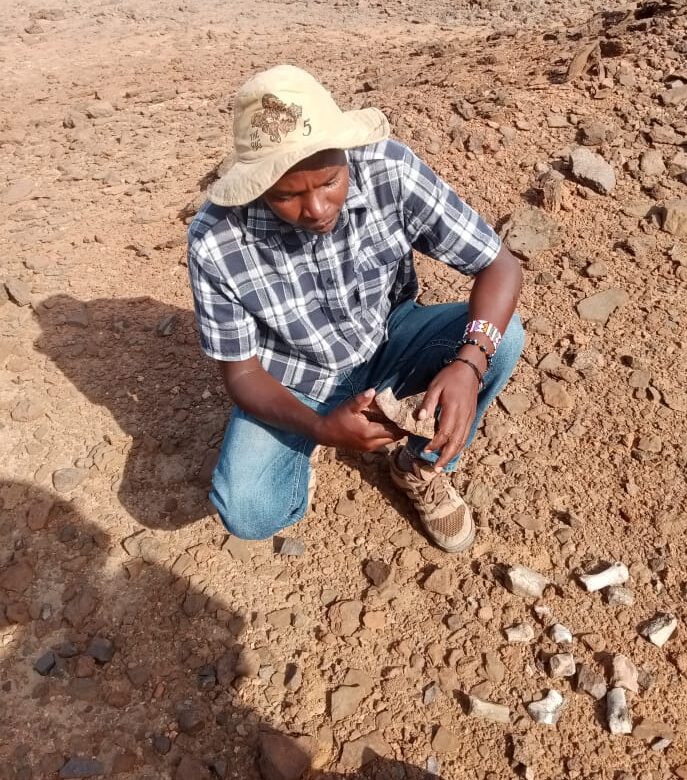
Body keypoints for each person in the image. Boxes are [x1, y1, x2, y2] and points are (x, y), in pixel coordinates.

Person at [187, 65, 524, 554]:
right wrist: (319, 428)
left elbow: (499, 265)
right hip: (292, 380)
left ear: (346, 155)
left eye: (329, 181)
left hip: (389, 335)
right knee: (249, 510)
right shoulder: (215, 240)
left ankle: (420, 467)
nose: (317, 208)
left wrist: (470, 364)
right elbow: (240, 373)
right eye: (286, 195)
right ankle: (309, 449)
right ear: (259, 187)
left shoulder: (390, 169)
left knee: (503, 334)